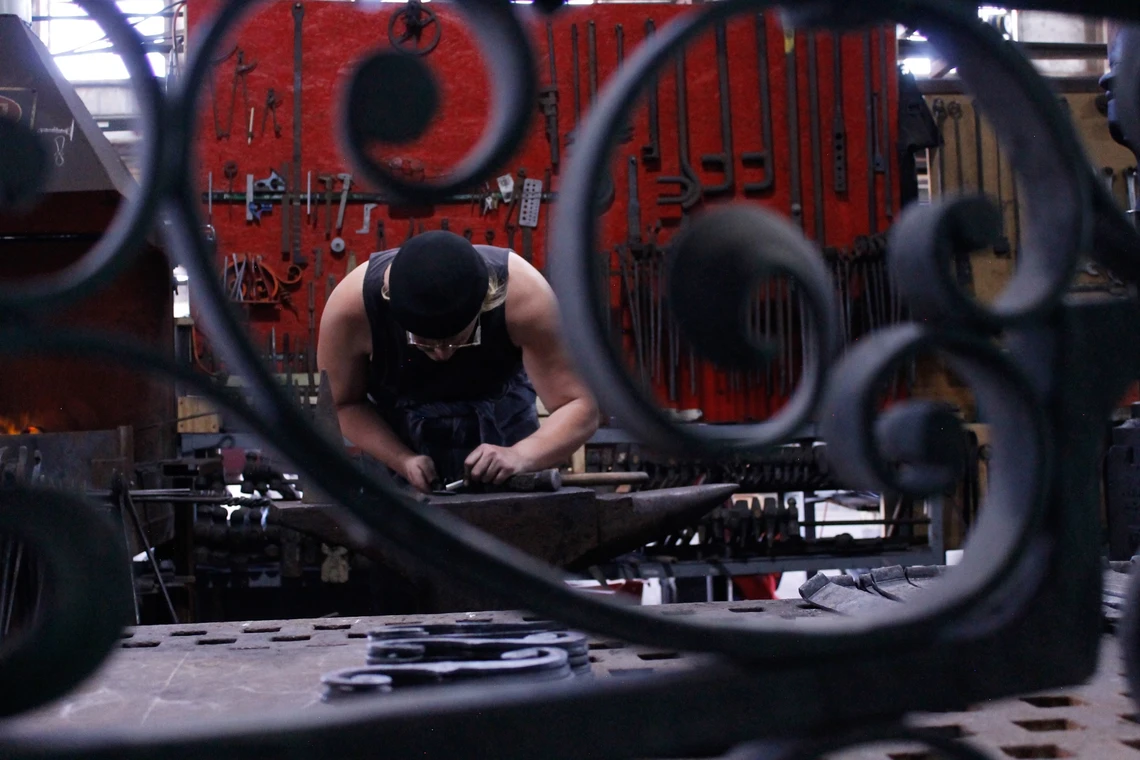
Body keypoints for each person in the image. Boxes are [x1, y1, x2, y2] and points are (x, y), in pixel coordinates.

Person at [317, 231, 599, 494]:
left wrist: (522, 455)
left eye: (458, 341)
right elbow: (343, 404)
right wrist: (402, 459)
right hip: (396, 452)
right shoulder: (352, 310)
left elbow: (579, 406)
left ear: (487, 302)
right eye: (424, 344)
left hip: (506, 441)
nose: (442, 355)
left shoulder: (524, 295)